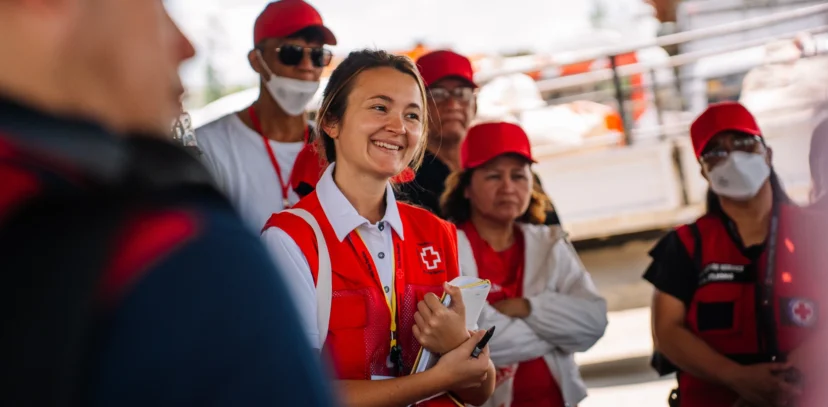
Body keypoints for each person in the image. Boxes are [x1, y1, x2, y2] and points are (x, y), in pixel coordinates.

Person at [0, 1, 335, 406]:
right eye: (155, 9)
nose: (186, 46)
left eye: (318, 56)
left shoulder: (332, 149)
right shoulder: (180, 246)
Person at [261, 49, 496, 407]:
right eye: (379, 107)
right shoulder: (290, 239)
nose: (399, 127)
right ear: (331, 121)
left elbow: (479, 390)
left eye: (412, 114)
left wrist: (456, 347)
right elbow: (296, 392)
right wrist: (440, 378)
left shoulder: (437, 232)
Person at [644, 102, 815, 407]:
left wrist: (792, 376)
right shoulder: (683, 245)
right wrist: (738, 377)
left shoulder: (821, 233)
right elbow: (667, 331)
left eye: (744, 144)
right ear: (704, 171)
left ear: (768, 153)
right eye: (717, 152)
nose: (733, 158)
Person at [440, 121, 608, 407]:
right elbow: (463, 345)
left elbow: (593, 322)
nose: (508, 187)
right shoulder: (448, 247)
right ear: (466, 187)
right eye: (494, 176)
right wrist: (557, 333)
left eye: (519, 176)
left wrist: (528, 307)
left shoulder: (549, 243)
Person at [196, 0, 336, 231]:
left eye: (318, 55)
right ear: (256, 61)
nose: (307, 66)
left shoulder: (334, 147)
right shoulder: (209, 146)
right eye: (291, 52)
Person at [397, 50, 562, 225]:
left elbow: (551, 230)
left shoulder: (506, 161)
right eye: (438, 94)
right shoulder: (406, 179)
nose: (452, 104)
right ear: (417, 106)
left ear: (474, 105)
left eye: (461, 93)